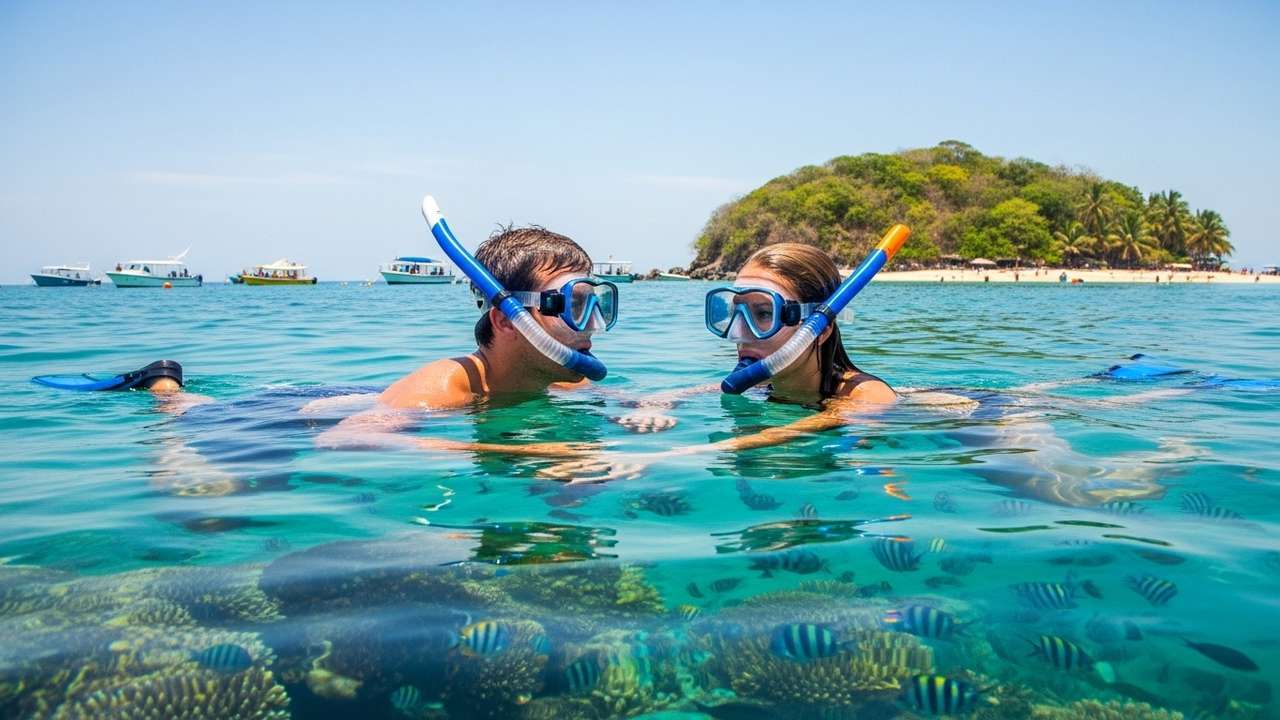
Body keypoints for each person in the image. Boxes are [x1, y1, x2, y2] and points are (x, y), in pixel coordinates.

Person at [315, 225, 618, 456]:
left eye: (598, 305)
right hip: (301, 409)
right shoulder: (444, 386)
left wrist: (647, 408)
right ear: (505, 321)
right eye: (574, 306)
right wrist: (533, 452)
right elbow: (344, 440)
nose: (592, 324)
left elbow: (621, 398)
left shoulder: (562, 379)